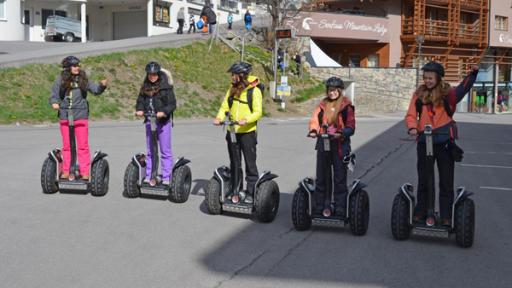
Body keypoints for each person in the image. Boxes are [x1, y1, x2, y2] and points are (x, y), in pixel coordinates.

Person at [405, 61, 478, 225]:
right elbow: (410, 115)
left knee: (446, 180)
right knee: (424, 178)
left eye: (431, 78)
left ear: (438, 78)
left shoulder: (448, 94)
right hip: (424, 141)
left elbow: (463, 88)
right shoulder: (419, 94)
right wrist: (412, 128)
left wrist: (473, 74)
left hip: (444, 142)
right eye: (425, 77)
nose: (427, 80)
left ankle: (446, 216)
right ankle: (421, 211)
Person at [49, 56, 108, 181]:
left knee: (82, 146)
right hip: (65, 116)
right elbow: (54, 94)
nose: (77, 67)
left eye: (78, 65)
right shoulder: (60, 79)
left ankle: (85, 171)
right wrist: (54, 102)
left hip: (80, 116)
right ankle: (66, 170)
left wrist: (102, 86)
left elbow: (95, 90)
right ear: (67, 67)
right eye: (74, 65)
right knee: (67, 146)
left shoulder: (83, 79)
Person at [213, 62, 263, 204]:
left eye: (234, 74)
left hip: (247, 132)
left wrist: (246, 120)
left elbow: (258, 112)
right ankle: (236, 189)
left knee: (249, 163)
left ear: (241, 75)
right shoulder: (232, 89)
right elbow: (224, 106)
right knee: (234, 162)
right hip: (232, 131)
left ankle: (251, 192)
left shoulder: (254, 91)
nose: (232, 77)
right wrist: (219, 117)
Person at [307, 77, 355, 216]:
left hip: (340, 144)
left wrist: (342, 133)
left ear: (339, 90)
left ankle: (340, 207)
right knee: (322, 177)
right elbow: (315, 119)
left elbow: (351, 125)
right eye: (329, 90)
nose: (332, 92)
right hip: (323, 142)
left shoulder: (346, 106)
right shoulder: (323, 104)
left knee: (339, 178)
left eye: (334, 90)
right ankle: (321, 205)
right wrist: (313, 130)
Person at [135, 61, 177, 186]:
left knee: (165, 151)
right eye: (150, 74)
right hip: (150, 121)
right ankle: (149, 175)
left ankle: (166, 176)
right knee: (150, 151)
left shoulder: (166, 88)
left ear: (158, 74)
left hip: (163, 123)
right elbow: (140, 101)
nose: (152, 76)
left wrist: (163, 112)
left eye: (154, 74)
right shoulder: (145, 87)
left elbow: (172, 104)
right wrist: (140, 110)